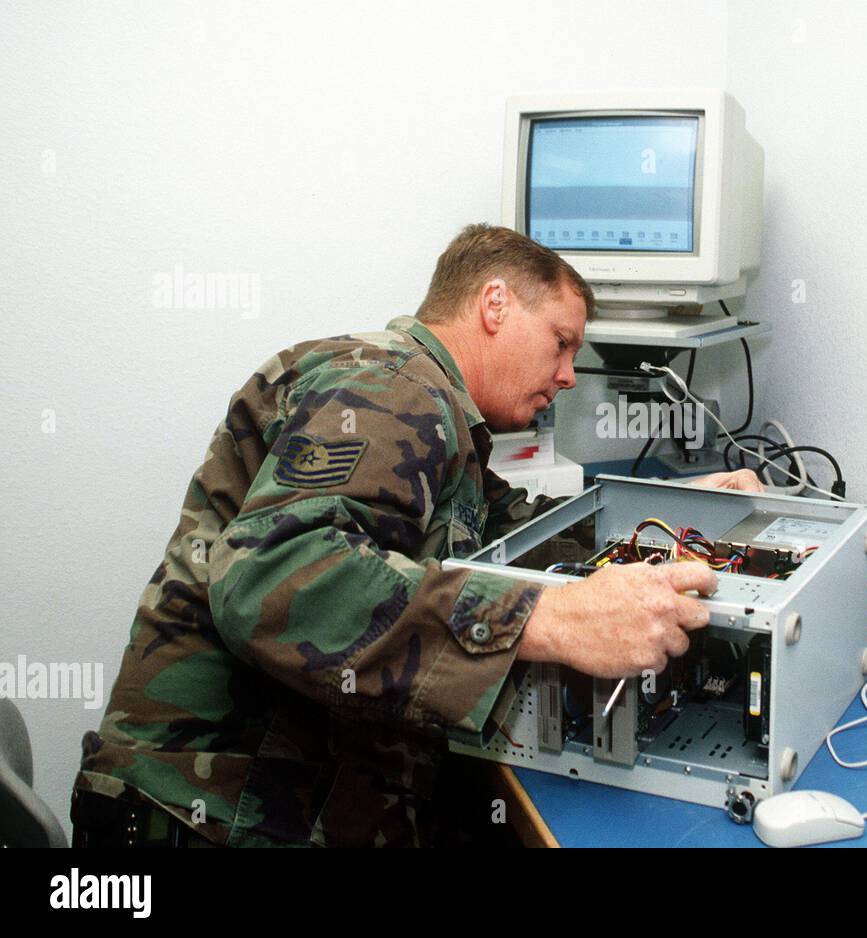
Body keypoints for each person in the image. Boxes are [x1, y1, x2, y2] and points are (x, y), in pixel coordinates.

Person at [72, 223, 762, 847]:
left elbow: (517, 535)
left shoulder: (444, 427)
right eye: (561, 343)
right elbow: (273, 573)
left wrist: (671, 518)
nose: (566, 377)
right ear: (495, 305)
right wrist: (549, 618)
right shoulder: (395, 385)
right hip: (200, 817)